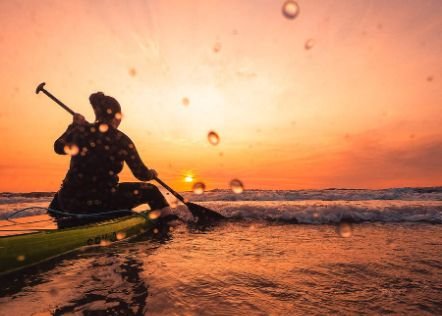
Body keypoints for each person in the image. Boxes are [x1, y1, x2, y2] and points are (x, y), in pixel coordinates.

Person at [49, 92, 170, 223]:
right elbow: (141, 174)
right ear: (116, 117)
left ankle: (53, 216)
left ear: (97, 115)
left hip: (68, 203)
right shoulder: (122, 140)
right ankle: (169, 223)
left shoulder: (81, 131)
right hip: (101, 205)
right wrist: (151, 174)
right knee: (151, 191)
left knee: (64, 192)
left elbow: (58, 147)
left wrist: (73, 127)